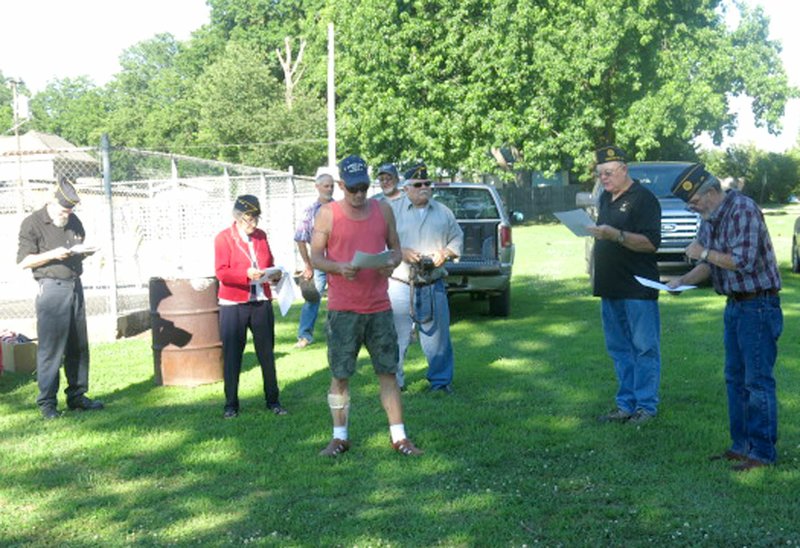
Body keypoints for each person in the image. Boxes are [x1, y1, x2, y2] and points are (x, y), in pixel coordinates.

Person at [667, 164, 782, 472]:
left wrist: (702, 253)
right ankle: (740, 446)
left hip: (758, 306)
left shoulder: (743, 209)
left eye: (694, 202)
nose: (692, 208)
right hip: (735, 306)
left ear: (712, 192)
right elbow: (708, 263)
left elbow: (740, 262)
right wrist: (683, 281)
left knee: (756, 381)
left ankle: (762, 453)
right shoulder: (709, 217)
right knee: (734, 380)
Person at [311, 154, 422, 457]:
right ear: (341, 185)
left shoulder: (382, 209)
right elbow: (316, 257)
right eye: (352, 189)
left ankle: (399, 437)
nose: (359, 195)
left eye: (363, 188)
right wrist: (338, 268)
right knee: (340, 375)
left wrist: (390, 262)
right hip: (343, 309)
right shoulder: (327, 214)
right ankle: (339, 437)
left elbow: (396, 249)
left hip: (378, 307)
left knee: (388, 372)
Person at [16, 178, 104, 420]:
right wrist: (53, 254)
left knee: (78, 346)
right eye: (64, 209)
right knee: (51, 348)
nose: (68, 214)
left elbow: (79, 246)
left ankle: (77, 396)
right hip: (51, 288)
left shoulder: (73, 221)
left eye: (71, 210)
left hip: (74, 285)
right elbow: (23, 261)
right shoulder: (33, 223)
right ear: (51, 201)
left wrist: (85, 251)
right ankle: (47, 403)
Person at [587, 145, 662, 425]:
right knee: (619, 349)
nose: (603, 179)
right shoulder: (605, 199)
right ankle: (625, 405)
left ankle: (646, 407)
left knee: (644, 348)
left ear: (624, 169)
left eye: (608, 173)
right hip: (610, 286)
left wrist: (616, 235)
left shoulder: (644, 198)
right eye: (599, 174)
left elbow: (652, 243)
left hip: (637, 288)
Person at [388, 163, 463, 393]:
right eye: (418, 184)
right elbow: (381, 244)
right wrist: (402, 252)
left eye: (427, 184)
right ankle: (395, 382)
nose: (424, 188)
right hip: (400, 283)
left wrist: (446, 253)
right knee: (396, 337)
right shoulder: (391, 210)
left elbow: (457, 238)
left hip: (433, 282)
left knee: (437, 338)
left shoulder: (443, 211)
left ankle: (440, 383)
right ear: (406, 187)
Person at [214, 195, 287, 419]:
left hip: (260, 302)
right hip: (234, 303)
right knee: (233, 355)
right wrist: (245, 274)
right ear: (237, 217)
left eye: (255, 218)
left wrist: (273, 276)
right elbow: (222, 272)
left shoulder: (261, 236)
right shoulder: (223, 238)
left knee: (266, 353)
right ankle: (231, 404)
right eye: (248, 218)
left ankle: (273, 400)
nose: (253, 223)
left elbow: (269, 262)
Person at [293, 167, 336, 349]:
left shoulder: (340, 209)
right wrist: (307, 264)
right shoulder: (310, 211)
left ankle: (338, 332)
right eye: (326, 186)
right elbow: (300, 238)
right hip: (319, 263)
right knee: (312, 298)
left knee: (339, 298)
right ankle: (304, 335)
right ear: (317, 187)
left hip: (337, 262)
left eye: (332, 186)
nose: (329, 189)